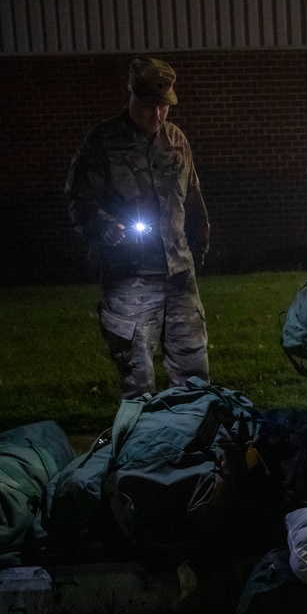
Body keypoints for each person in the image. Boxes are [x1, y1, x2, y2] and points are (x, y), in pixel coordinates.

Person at [66, 57, 210, 399]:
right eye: (149, 106)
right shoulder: (102, 142)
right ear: (130, 95)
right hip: (129, 277)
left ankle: (189, 444)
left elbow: (192, 198)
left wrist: (198, 247)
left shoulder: (176, 141)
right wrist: (105, 228)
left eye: (164, 107)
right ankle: (138, 447)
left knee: (193, 376)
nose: (157, 116)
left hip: (178, 275)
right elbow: (79, 199)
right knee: (138, 379)